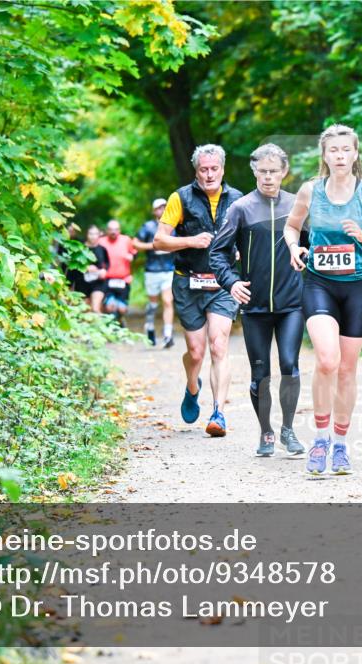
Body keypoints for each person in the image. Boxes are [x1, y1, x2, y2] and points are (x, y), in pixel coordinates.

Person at [283, 125, 362, 475]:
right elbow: (291, 227)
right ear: (324, 155)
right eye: (332, 150)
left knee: (347, 369)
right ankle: (319, 440)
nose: (339, 155)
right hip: (319, 283)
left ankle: (339, 444)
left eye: (345, 149)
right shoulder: (310, 191)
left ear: (355, 154)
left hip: (358, 288)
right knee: (326, 360)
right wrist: (295, 247)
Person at [210, 143, 306, 458]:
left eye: (273, 171)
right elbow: (217, 252)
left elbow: (317, 245)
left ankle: (288, 430)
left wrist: (309, 255)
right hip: (255, 306)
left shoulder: (298, 206)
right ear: (254, 172)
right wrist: (232, 282)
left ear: (284, 172)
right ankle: (266, 431)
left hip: (291, 303)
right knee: (260, 372)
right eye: (262, 171)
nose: (267, 177)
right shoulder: (241, 208)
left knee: (290, 365)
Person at [153, 144, 243, 437]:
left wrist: (242, 250)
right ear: (196, 170)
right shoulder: (180, 198)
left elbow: (250, 238)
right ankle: (193, 387)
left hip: (223, 283)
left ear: (223, 169)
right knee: (196, 351)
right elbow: (159, 241)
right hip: (188, 281)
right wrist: (191, 241)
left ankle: (219, 413)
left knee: (219, 345)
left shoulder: (239, 200)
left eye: (214, 169)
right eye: (203, 169)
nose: (209, 175)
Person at [133, 198, 176, 348]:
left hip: (169, 269)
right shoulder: (148, 227)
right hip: (152, 270)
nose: (162, 210)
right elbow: (135, 243)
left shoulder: (174, 226)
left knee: (167, 301)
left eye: (165, 207)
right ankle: (150, 327)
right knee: (152, 303)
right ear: (154, 211)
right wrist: (153, 246)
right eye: (159, 208)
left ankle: (167, 335)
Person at [99, 219, 137, 326]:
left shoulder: (126, 240)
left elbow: (134, 253)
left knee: (122, 308)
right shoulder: (101, 241)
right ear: (107, 230)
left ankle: (120, 320)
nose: (113, 232)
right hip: (107, 279)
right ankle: (109, 326)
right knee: (109, 306)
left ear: (119, 230)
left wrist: (132, 257)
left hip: (123, 279)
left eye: (116, 229)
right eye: (111, 229)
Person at [80, 225, 110, 313]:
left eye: (95, 234)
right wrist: (85, 267)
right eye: (91, 234)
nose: (93, 236)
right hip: (82, 283)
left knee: (95, 308)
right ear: (86, 234)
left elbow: (107, 265)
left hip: (98, 282)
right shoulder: (80, 249)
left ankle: (101, 326)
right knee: (84, 311)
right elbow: (73, 268)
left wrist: (103, 271)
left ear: (99, 235)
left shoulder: (102, 249)